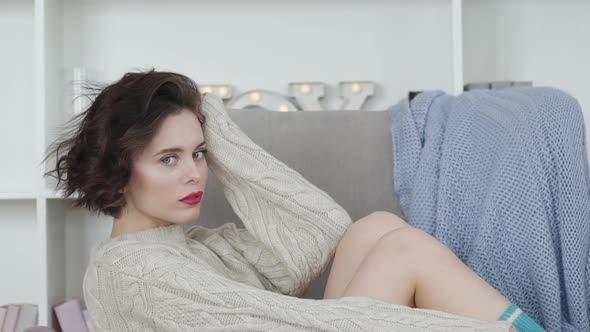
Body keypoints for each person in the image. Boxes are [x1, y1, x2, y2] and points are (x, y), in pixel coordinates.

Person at [44, 69, 542, 331]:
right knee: (404, 250)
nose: (196, 173)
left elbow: (323, 232)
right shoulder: (139, 273)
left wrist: (208, 118)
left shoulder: (191, 244)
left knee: (377, 228)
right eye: (168, 159)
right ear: (118, 168)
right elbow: (298, 325)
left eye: (199, 153)